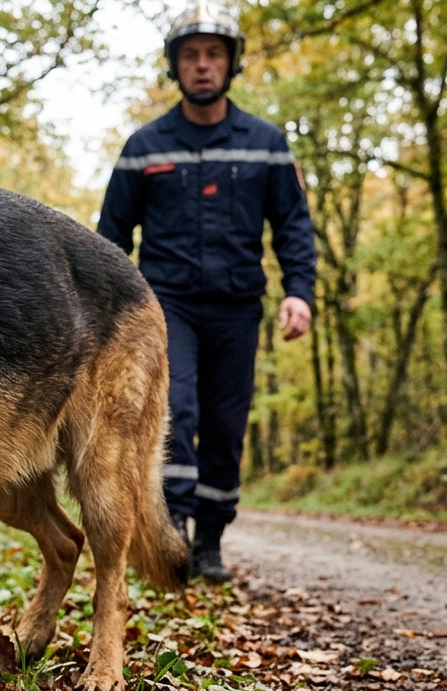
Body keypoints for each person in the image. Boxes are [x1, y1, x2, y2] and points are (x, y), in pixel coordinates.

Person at [96, 0, 317, 582]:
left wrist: (300, 291)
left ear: (230, 64)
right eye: (190, 55)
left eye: (213, 54)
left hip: (239, 307)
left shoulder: (265, 142)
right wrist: (103, 317)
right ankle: (172, 531)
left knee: (225, 424)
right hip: (164, 306)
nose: (201, 65)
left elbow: (293, 225)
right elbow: (110, 238)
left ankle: (210, 541)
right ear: (175, 66)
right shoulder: (145, 147)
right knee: (177, 409)